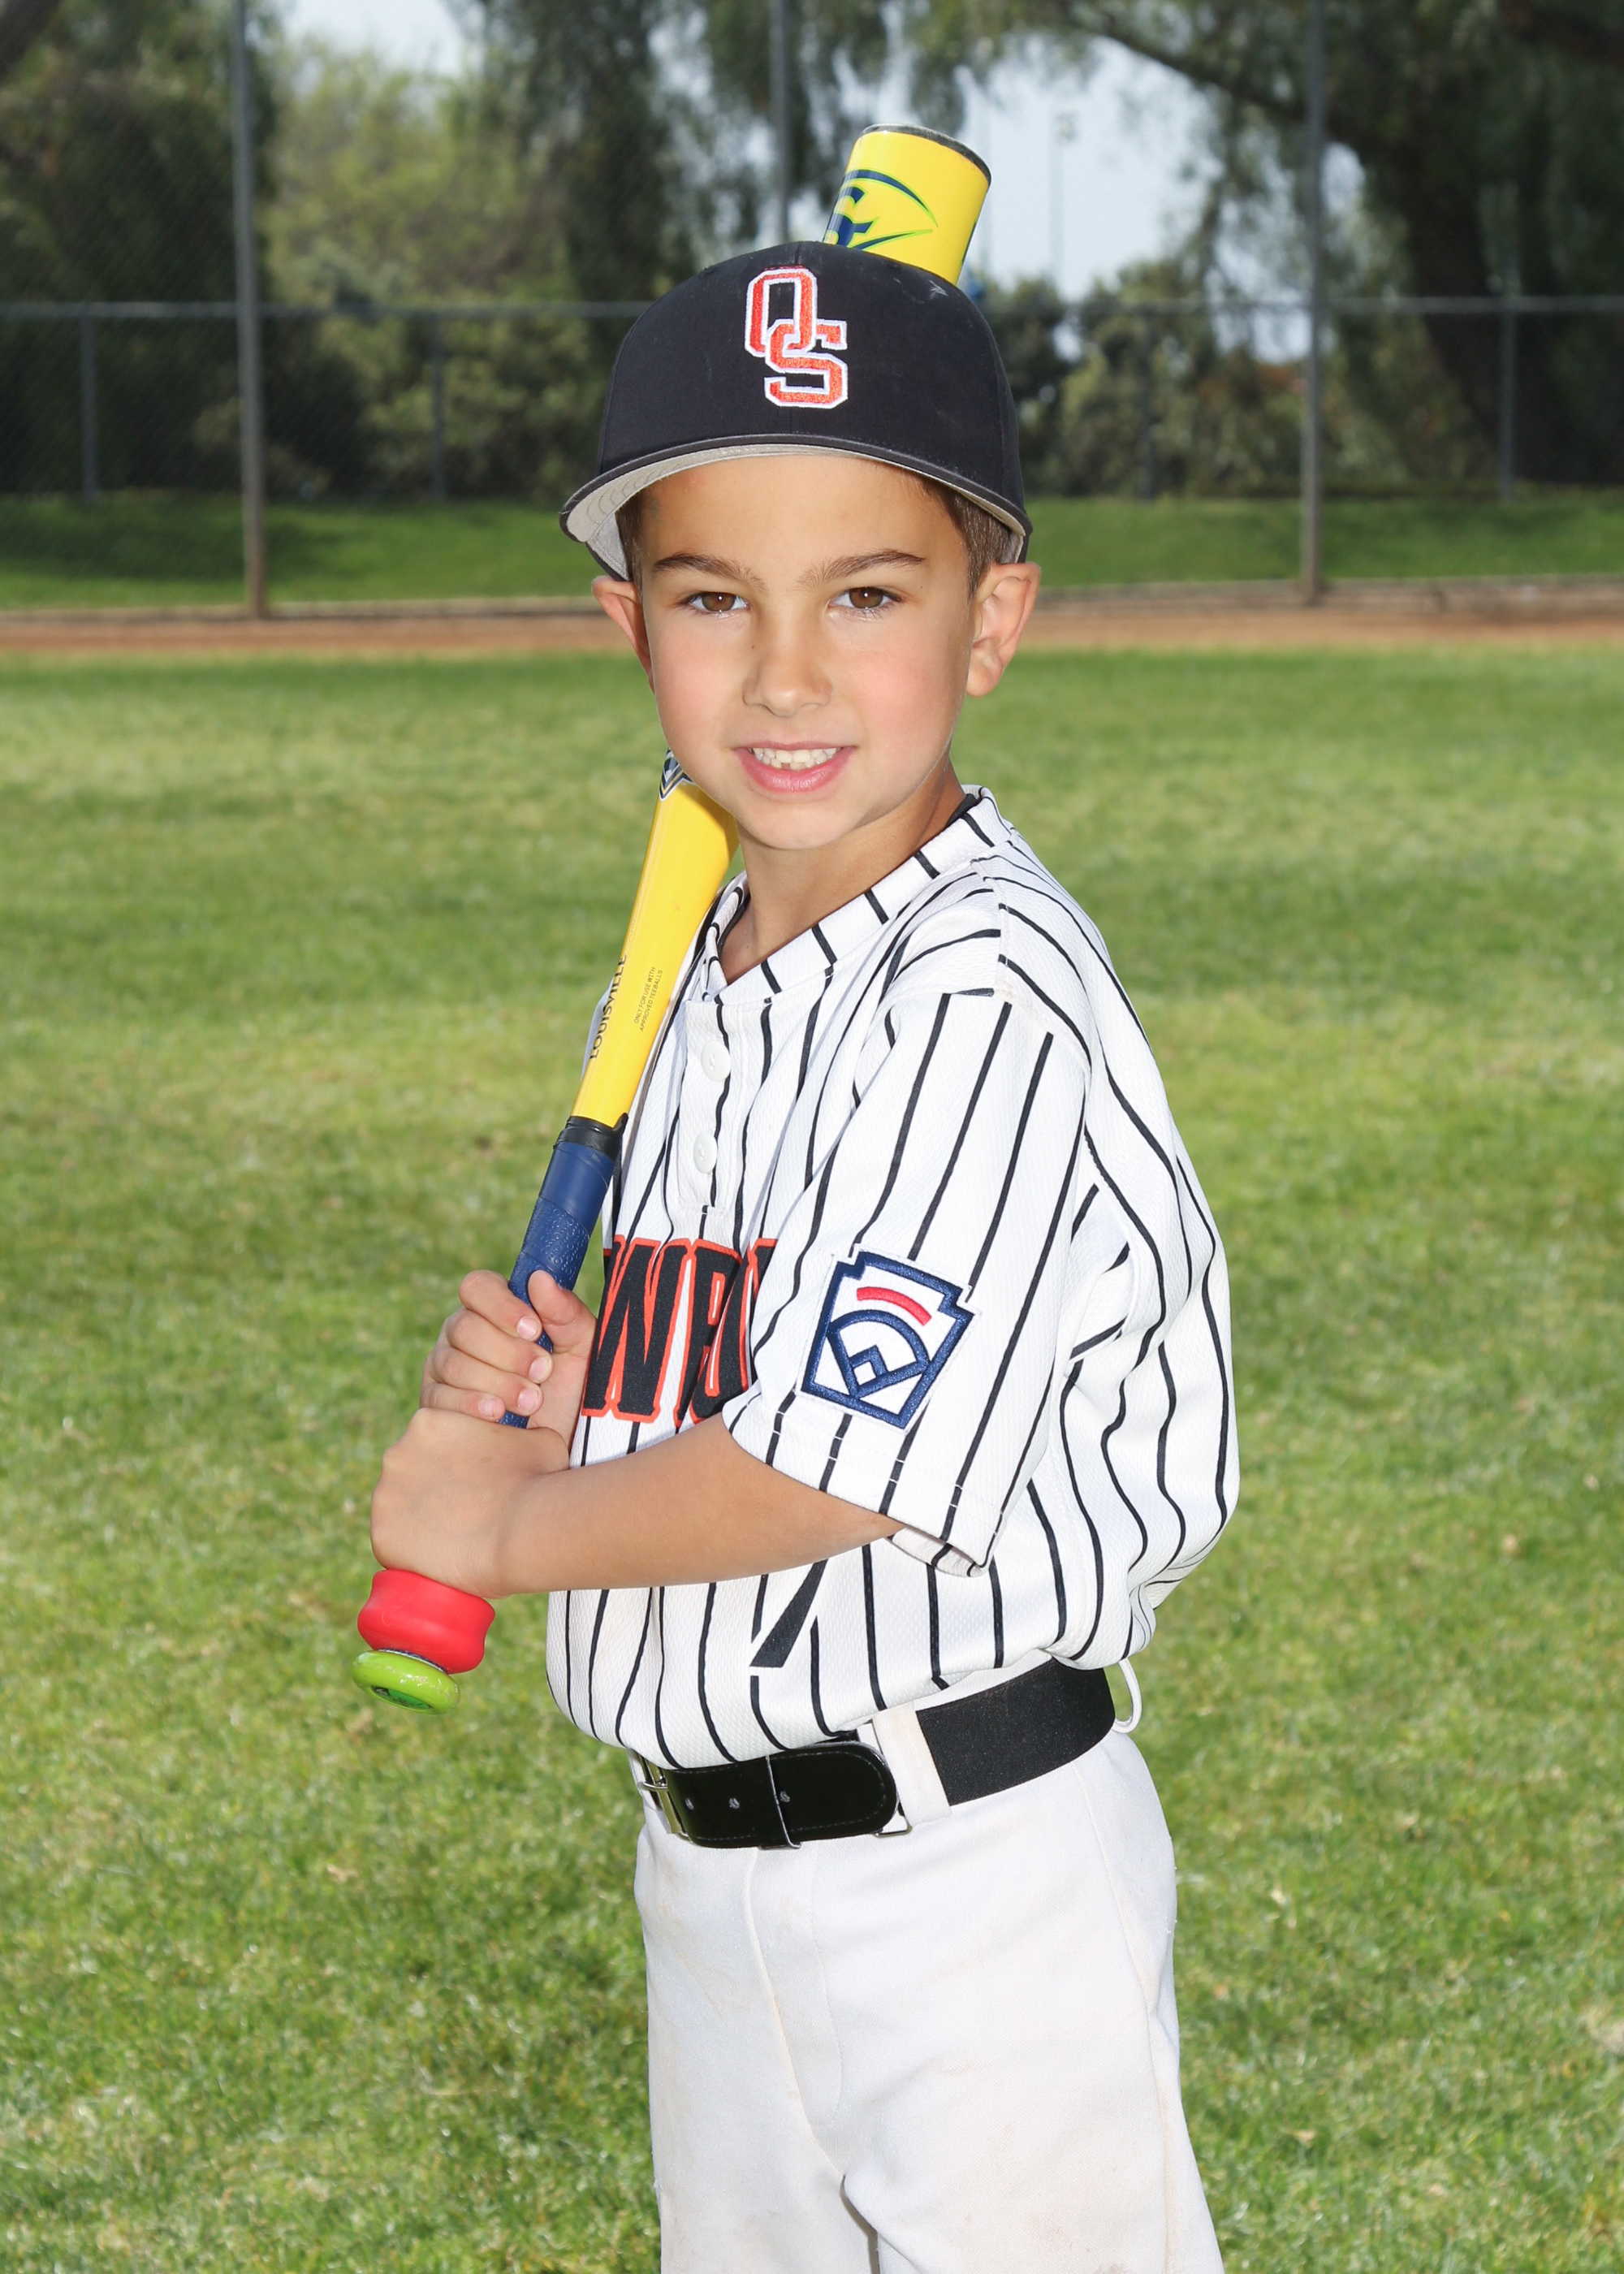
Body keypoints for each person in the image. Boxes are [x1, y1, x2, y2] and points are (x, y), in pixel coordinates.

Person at [369, 238, 1237, 2273]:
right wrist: (579, 1399)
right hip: (709, 1877)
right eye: (711, 598)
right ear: (628, 623)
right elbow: (750, 1364)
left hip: (970, 1888)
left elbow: (837, 1458)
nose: (781, 675)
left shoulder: (985, 996)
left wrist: (507, 1530)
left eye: (864, 594)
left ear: (990, 618)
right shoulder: (695, 961)